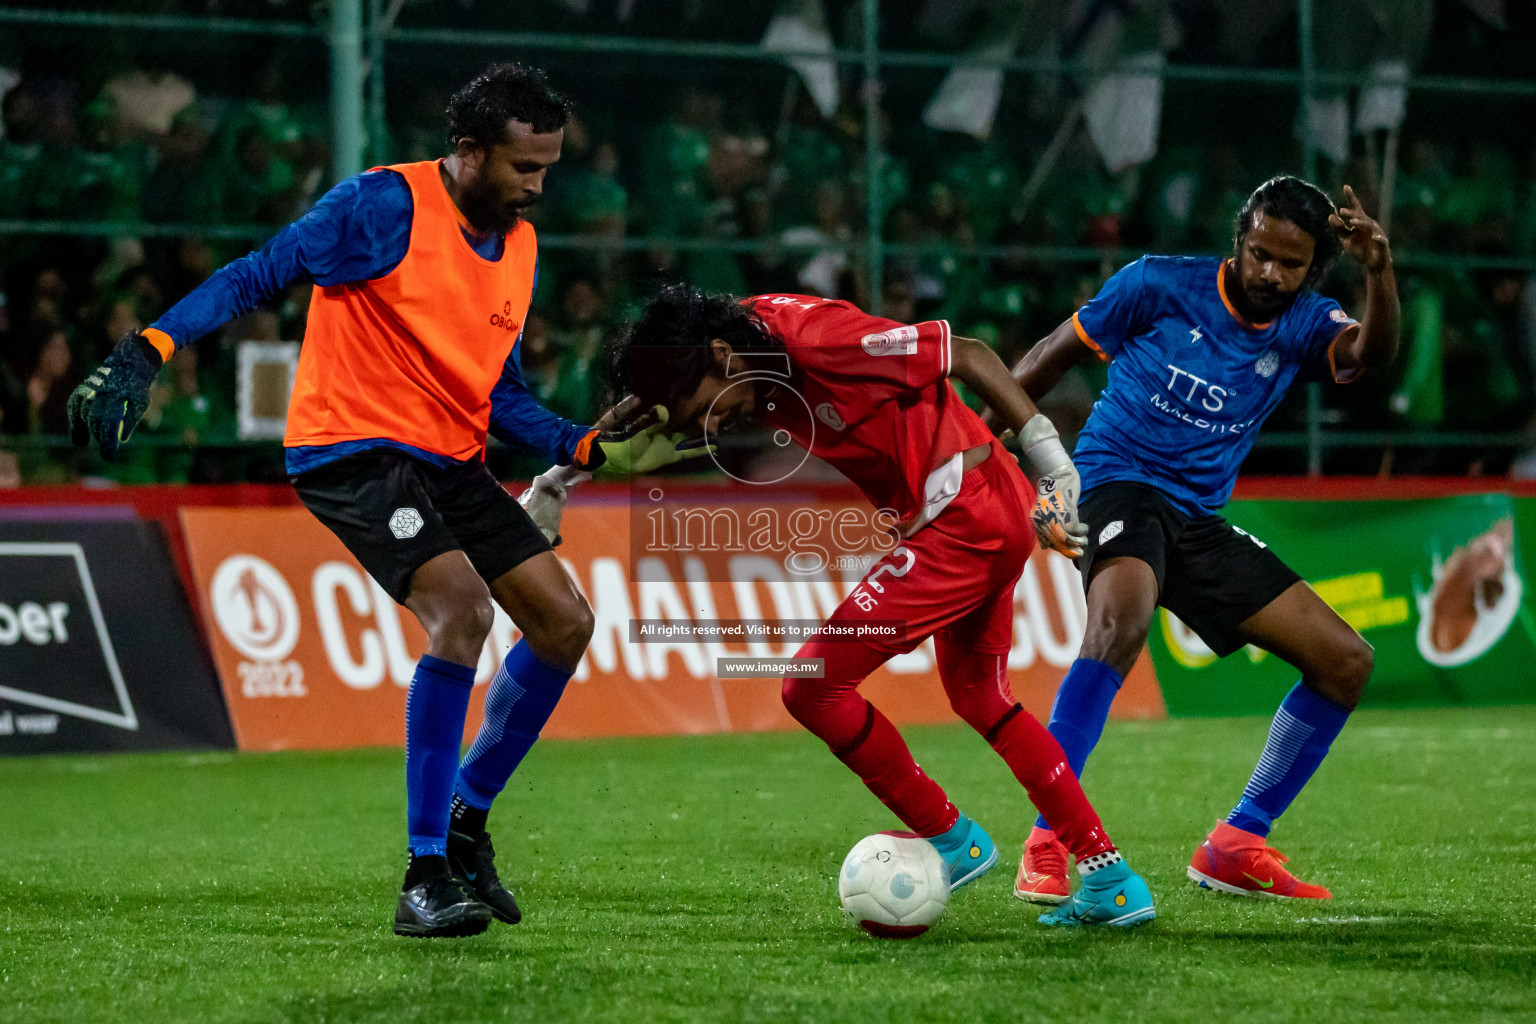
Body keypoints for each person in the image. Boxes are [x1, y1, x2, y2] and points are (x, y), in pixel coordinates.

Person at [68, 64, 705, 938]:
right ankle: (423, 874)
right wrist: (149, 347)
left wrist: (587, 445)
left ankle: (466, 825)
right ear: (469, 149)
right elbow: (259, 273)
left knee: (565, 624)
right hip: (353, 451)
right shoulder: (381, 207)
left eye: (548, 167)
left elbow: (499, 394)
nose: (538, 186)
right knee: (462, 610)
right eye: (524, 167)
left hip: (448, 459)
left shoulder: (517, 244)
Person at [561, 285, 1158, 927]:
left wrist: (1053, 468)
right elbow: (658, 392)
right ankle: (1111, 880)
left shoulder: (821, 343)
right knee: (981, 697)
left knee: (809, 686)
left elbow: (971, 353)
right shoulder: (730, 338)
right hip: (977, 505)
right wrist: (562, 475)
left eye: (703, 408)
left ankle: (954, 841)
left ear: (722, 357)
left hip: (965, 516)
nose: (711, 427)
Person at [1003, 176, 1399, 903]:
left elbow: (1369, 356)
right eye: (1259, 254)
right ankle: (1049, 836)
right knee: (1120, 622)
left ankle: (1238, 841)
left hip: (1196, 518)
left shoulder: (1306, 322)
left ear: (1313, 269)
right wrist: (992, 455)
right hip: (1115, 481)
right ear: (1238, 240)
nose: (1270, 273)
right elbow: (1050, 354)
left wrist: (1379, 271)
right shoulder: (1155, 284)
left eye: (1290, 263)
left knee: (1345, 661)